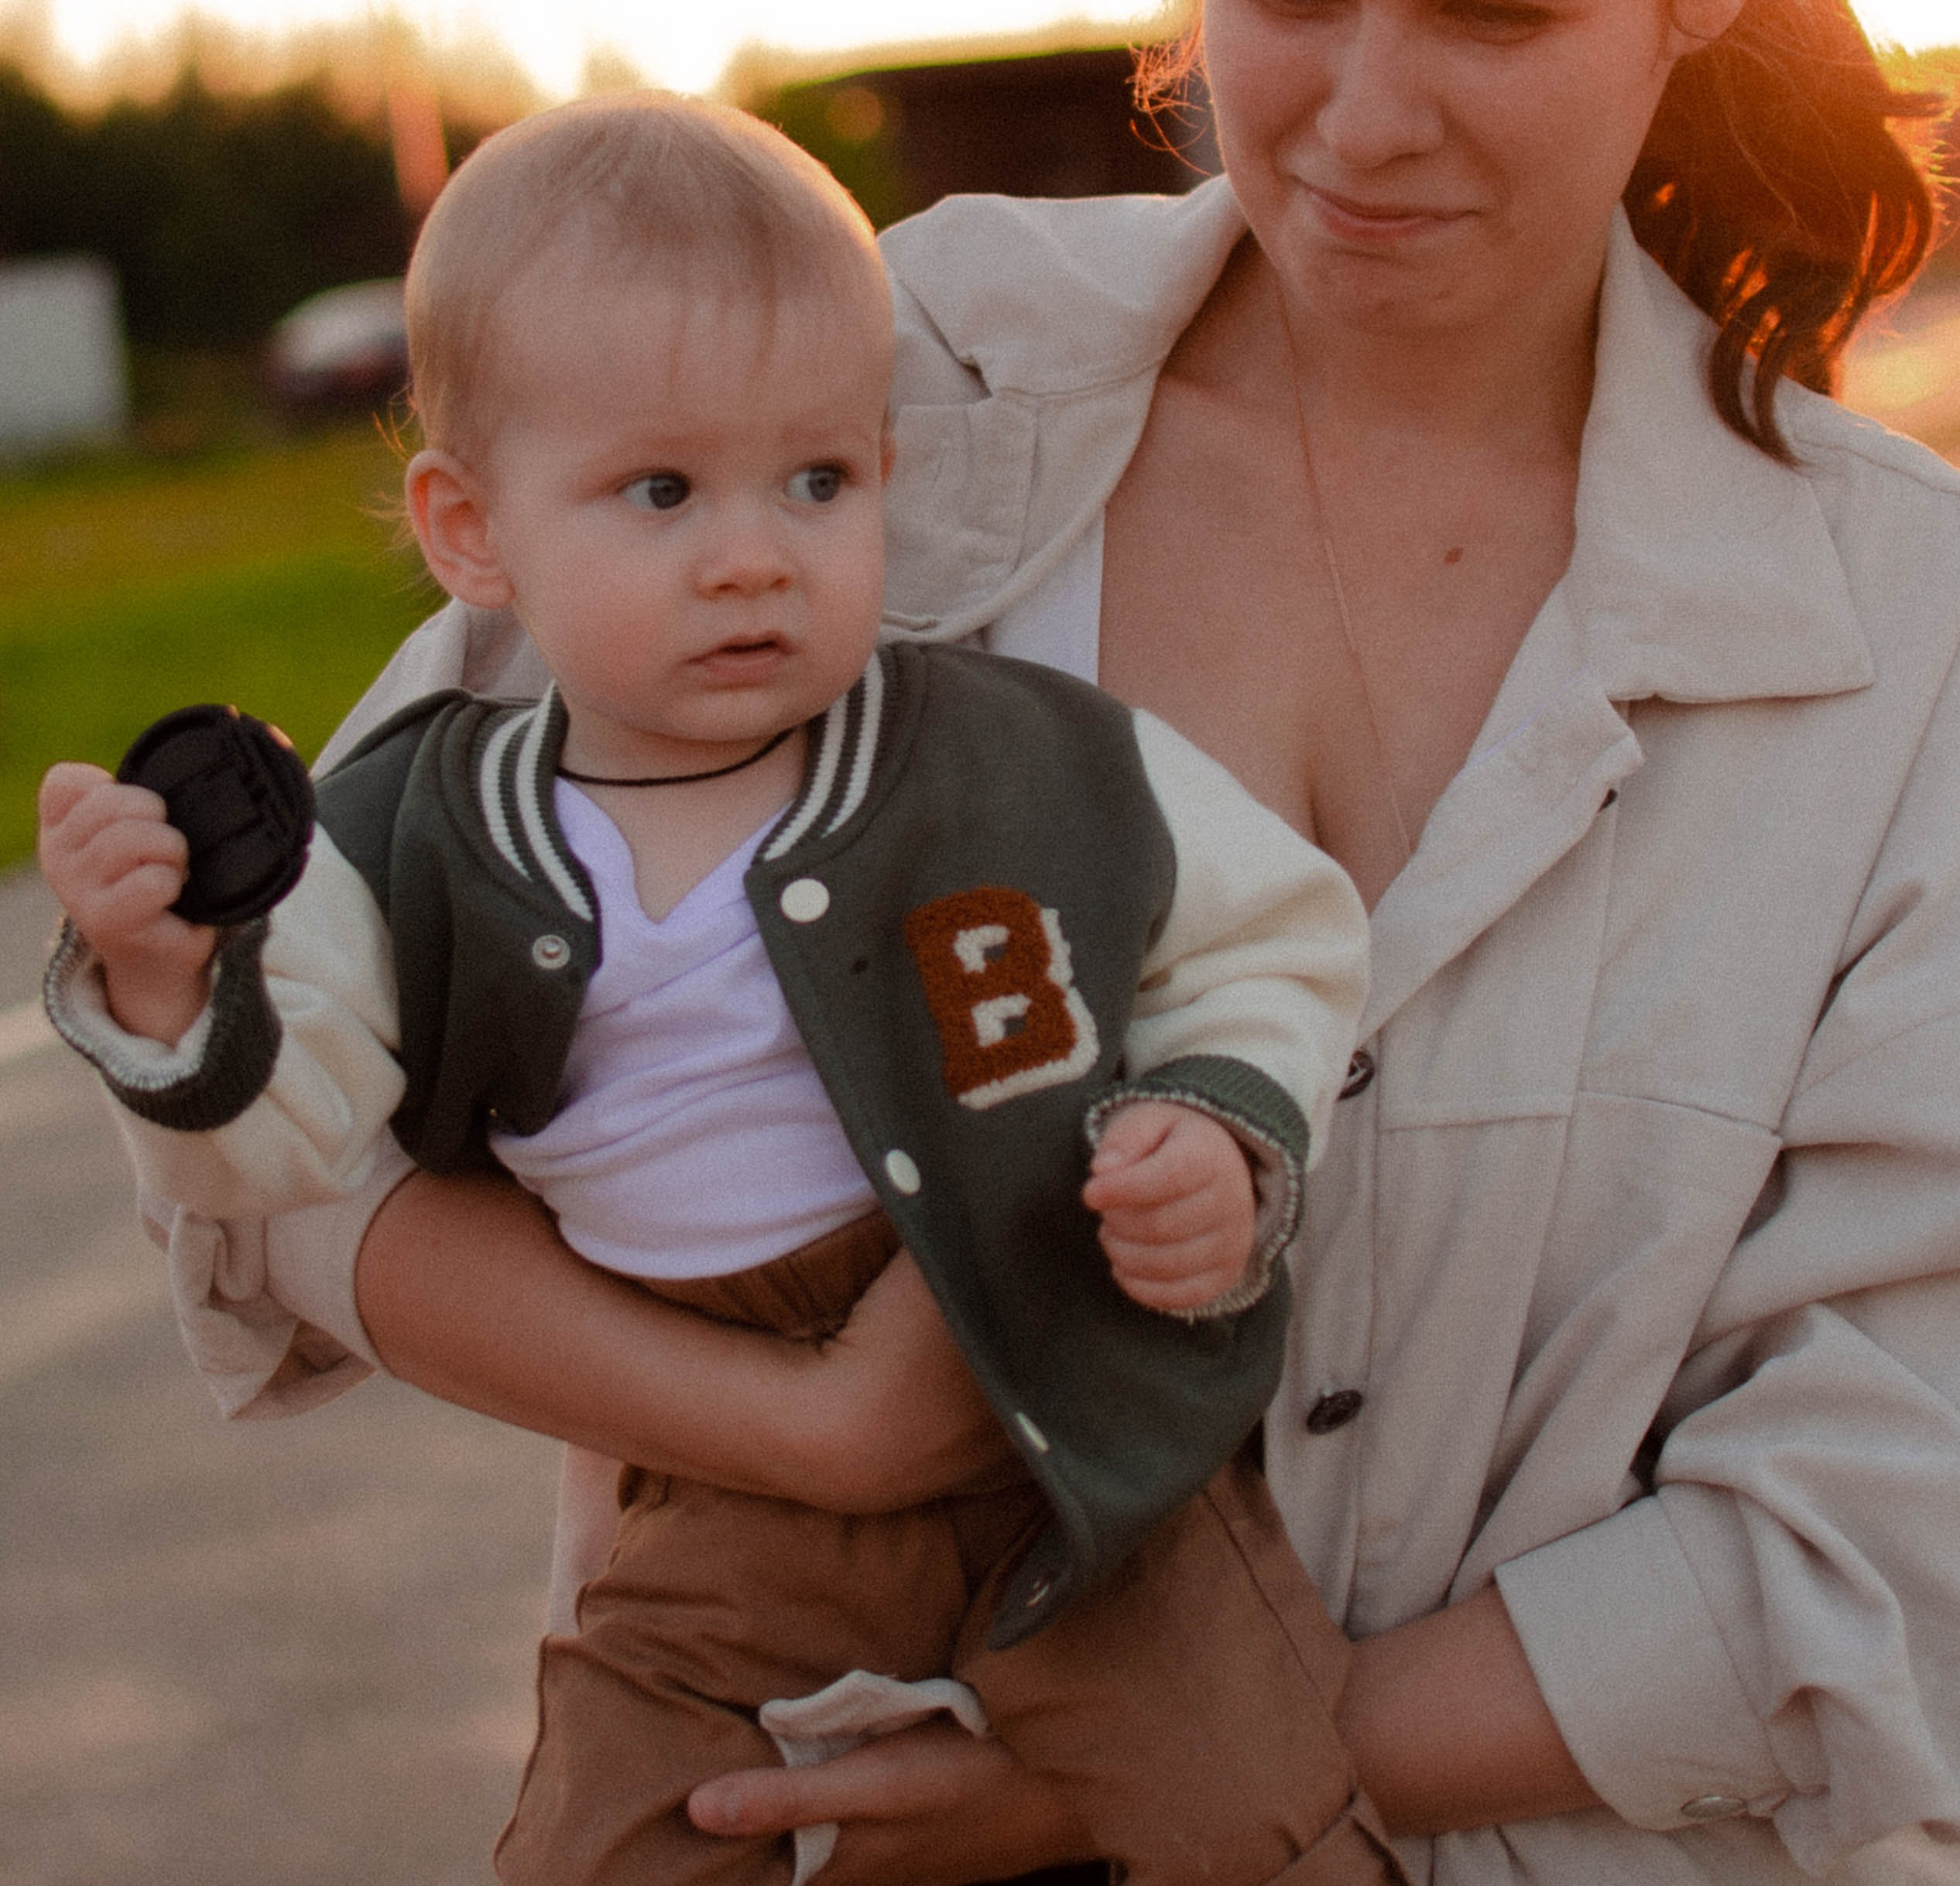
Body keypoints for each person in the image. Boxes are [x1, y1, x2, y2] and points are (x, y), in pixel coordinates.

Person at [85, 0, 1959, 1883]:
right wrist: (820, 1437)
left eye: (1490, 7)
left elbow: (1891, 1504)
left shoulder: (1895, 641)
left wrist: (1205, 1747)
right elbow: (281, 1117)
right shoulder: (885, 392)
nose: (1361, 118)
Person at [37, 94, 1389, 1884]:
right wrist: (165, 978)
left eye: (818, 478)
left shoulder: (1021, 764)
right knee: (607, 1844)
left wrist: (1219, 1128)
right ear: (472, 528)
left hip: (1072, 1424)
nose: (756, 551)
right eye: (662, 490)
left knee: (1262, 1801)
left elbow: (1268, 935)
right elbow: (292, 1134)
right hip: (718, 1487)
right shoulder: (413, 838)